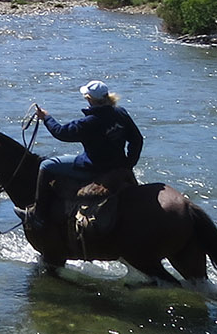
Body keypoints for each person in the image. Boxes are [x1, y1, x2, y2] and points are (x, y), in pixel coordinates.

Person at [27, 80, 145, 230]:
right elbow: (137, 139)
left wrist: (46, 118)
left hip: (94, 167)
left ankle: (38, 215)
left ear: (89, 99)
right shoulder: (120, 113)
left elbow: (61, 133)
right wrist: (128, 164)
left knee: (46, 165)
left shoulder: (89, 122)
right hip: (118, 165)